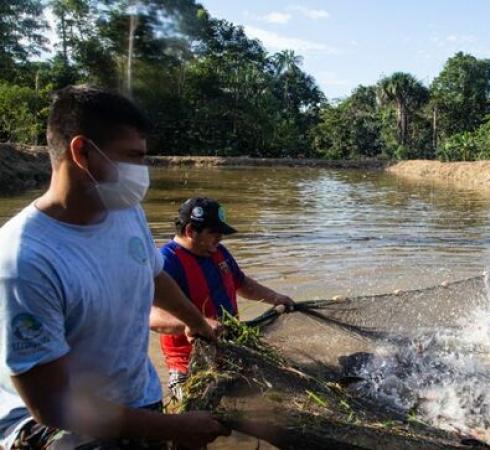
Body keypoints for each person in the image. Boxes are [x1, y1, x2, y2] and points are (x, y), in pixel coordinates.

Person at [0, 85, 231, 449]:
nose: (142, 171)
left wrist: (196, 322)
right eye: (132, 158)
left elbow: (153, 276)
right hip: (57, 425)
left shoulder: (125, 211)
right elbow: (52, 405)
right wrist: (175, 427)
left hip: (135, 397)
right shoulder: (25, 259)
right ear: (82, 153)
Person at [150, 197, 295, 401]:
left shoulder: (218, 252)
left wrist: (276, 298)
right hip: (189, 364)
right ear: (191, 231)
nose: (220, 239)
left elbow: (242, 283)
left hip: (229, 350)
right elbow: (152, 317)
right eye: (214, 234)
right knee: (199, 420)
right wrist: (197, 324)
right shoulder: (166, 262)